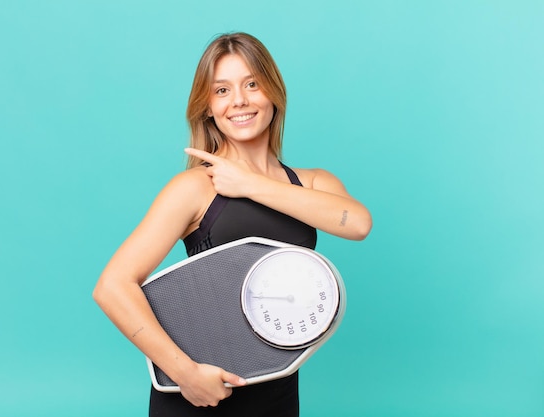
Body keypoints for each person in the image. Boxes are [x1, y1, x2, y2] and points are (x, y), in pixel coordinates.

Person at [93, 32, 372, 417]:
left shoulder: (312, 183)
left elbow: (357, 224)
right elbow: (112, 287)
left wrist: (251, 183)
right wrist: (184, 372)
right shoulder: (194, 188)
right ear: (207, 107)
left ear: (273, 92)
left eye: (252, 84)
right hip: (197, 392)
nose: (239, 100)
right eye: (221, 90)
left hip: (276, 390)